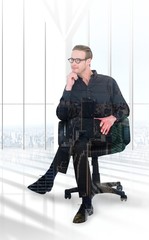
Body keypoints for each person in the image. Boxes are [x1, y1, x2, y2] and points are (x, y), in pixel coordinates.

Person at [27, 45, 130, 223]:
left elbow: (124, 108)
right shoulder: (72, 86)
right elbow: (61, 115)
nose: (73, 63)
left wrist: (112, 118)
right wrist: (68, 88)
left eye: (78, 60)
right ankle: (86, 202)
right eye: (71, 60)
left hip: (106, 134)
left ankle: (49, 177)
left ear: (88, 61)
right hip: (81, 136)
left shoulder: (107, 82)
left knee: (75, 135)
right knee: (79, 143)